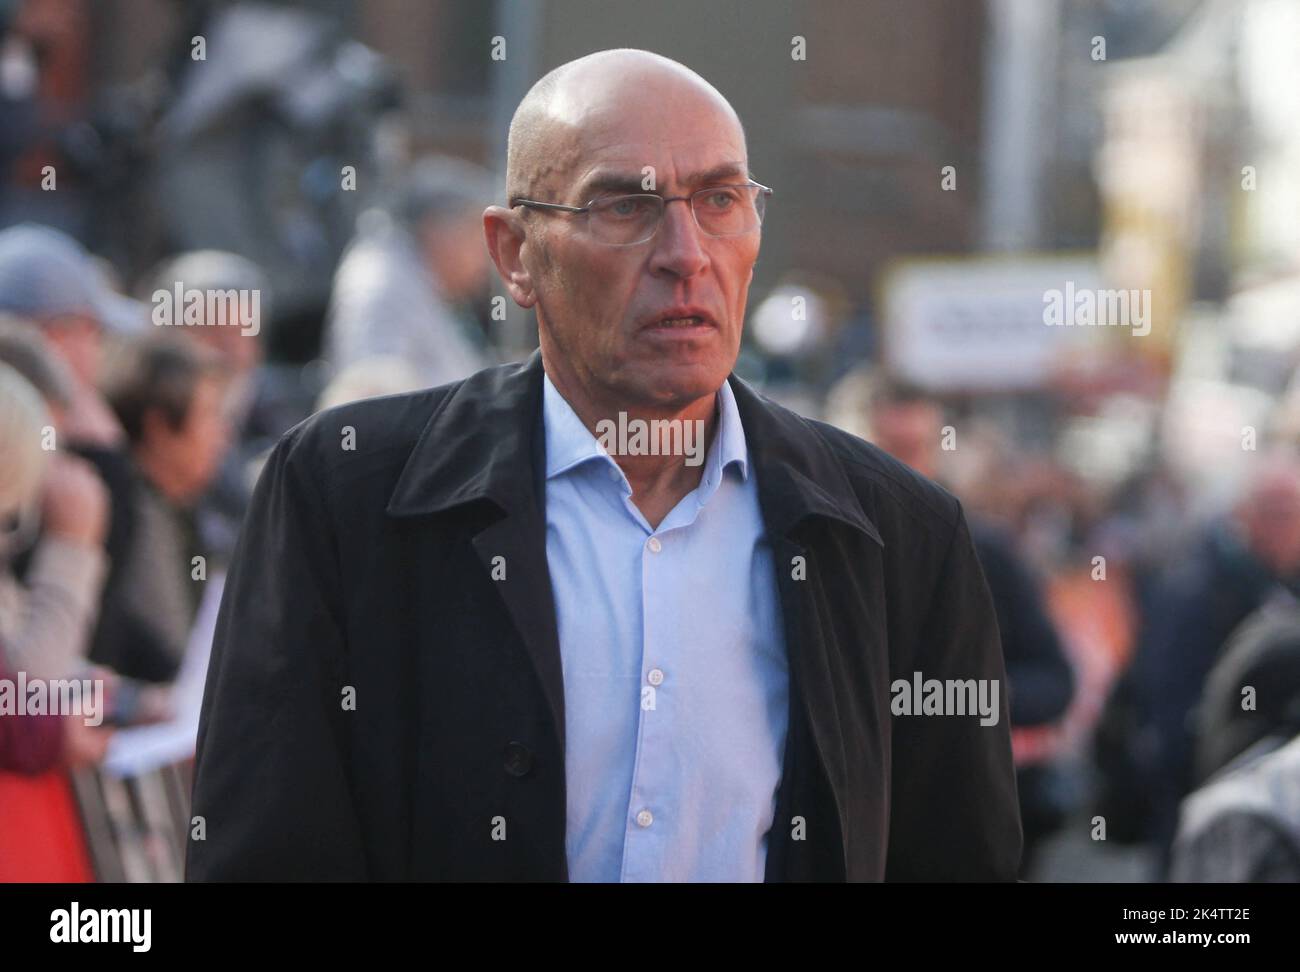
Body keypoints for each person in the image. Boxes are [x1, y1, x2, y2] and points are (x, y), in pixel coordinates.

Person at [188, 49, 1021, 882]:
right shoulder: (343, 497)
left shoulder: (901, 536)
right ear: (515, 254)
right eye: (626, 205)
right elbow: (263, 851)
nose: (686, 254)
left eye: (722, 200)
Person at [323, 155, 498, 389]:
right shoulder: (381, 283)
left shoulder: (422, 278)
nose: (486, 259)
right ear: (441, 233)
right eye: (477, 237)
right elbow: (371, 395)